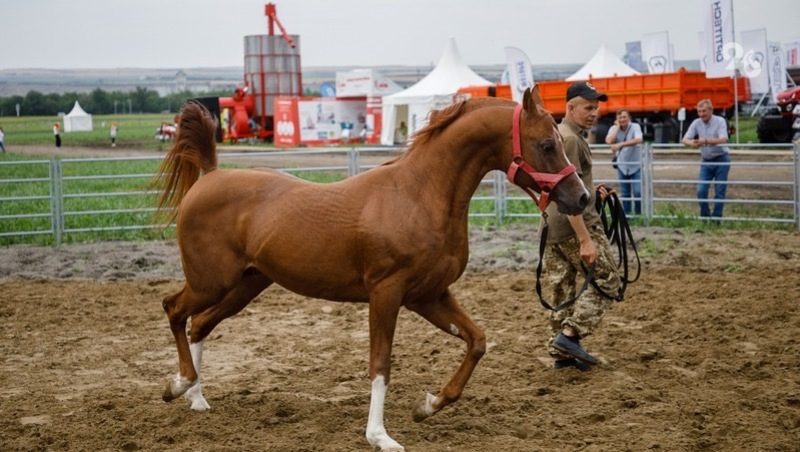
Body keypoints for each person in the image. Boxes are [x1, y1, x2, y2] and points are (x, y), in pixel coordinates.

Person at [542, 81, 623, 371]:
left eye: (596, 107)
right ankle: (569, 335)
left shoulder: (558, 135)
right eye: (588, 107)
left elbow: (569, 186)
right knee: (608, 278)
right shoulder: (572, 140)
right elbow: (570, 198)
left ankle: (561, 353)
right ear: (570, 108)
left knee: (561, 288)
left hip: (552, 226)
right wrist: (586, 239)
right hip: (576, 224)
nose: (594, 113)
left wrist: (591, 190)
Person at [681, 99, 731, 220]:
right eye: (699, 111)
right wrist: (691, 143)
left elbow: (724, 139)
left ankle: (716, 218)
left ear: (711, 110)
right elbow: (685, 139)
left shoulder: (720, 121)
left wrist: (706, 141)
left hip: (721, 159)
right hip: (706, 160)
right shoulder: (696, 122)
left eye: (704, 111)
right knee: (701, 191)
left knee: (719, 192)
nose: (701, 114)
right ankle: (705, 216)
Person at [605, 109, 643, 215]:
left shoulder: (635, 127)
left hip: (636, 164)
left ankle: (638, 214)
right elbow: (608, 140)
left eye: (624, 117)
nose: (622, 119)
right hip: (622, 165)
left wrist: (620, 145)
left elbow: (639, 139)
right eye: (620, 117)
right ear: (616, 119)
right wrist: (617, 127)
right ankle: (628, 215)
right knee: (625, 193)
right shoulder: (614, 128)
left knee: (637, 192)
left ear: (629, 118)